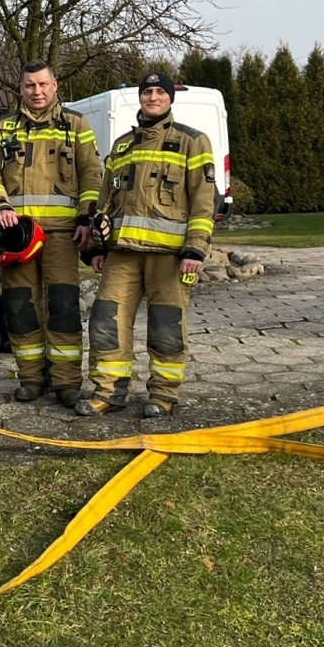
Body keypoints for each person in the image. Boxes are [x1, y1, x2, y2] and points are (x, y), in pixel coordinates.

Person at [78, 71, 217, 418]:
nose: (153, 97)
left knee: (166, 326)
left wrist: (195, 248)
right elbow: (104, 201)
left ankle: (164, 394)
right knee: (105, 321)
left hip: (170, 257)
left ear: (170, 98)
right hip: (121, 255)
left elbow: (204, 201)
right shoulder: (122, 145)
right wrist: (97, 246)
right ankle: (108, 392)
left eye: (159, 92)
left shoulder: (193, 141)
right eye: (147, 92)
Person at [0, 60, 102, 407]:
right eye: (30, 85)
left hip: (62, 236)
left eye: (43, 84)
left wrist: (85, 218)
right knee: (20, 309)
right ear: (21, 89)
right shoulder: (3, 128)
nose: (37, 91)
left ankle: (66, 382)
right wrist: (0, 207)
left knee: (63, 307)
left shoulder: (76, 125)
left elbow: (92, 175)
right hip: (17, 236)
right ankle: (31, 379)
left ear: (55, 85)